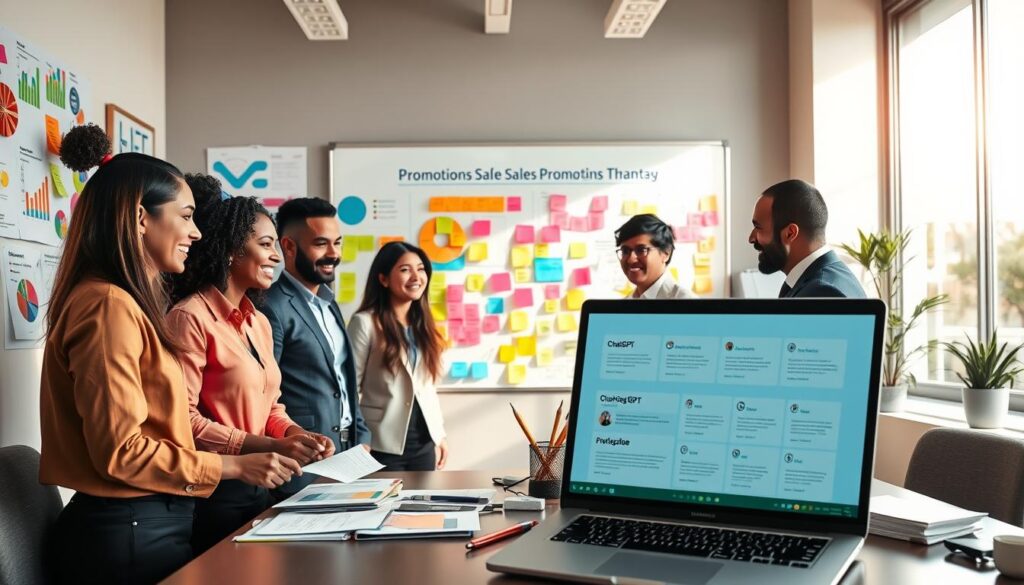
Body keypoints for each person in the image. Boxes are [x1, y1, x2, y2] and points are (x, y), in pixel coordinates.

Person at [40, 125, 301, 585]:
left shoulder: (121, 302)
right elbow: (120, 452)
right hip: (129, 533)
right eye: (185, 216)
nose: (196, 233)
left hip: (147, 522)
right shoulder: (106, 305)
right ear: (141, 218)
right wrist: (235, 463)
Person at [166, 179, 335, 552]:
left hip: (262, 485)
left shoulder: (257, 320)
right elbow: (182, 420)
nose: (276, 257)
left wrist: (295, 434)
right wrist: (268, 444)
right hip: (213, 494)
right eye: (265, 245)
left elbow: (269, 405)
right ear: (230, 251)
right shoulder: (189, 317)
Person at [262, 197, 371, 497]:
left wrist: (362, 434)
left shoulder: (330, 303)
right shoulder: (271, 306)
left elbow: (343, 379)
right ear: (289, 247)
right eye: (321, 244)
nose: (333, 254)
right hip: (302, 462)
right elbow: (264, 394)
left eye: (337, 243)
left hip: (350, 457)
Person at [348, 242, 449, 471]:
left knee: (421, 506)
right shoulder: (365, 323)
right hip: (380, 443)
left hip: (424, 443)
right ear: (383, 279)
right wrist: (358, 438)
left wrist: (440, 434)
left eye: (420, 268)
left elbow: (427, 386)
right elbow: (350, 387)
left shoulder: (424, 325)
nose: (416, 276)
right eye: (405, 269)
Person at [749, 179, 866, 298]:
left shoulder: (821, 292)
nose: (751, 238)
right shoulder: (828, 278)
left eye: (758, 227)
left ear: (790, 233)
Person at [614, 214, 694, 299]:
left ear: (666, 253)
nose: (631, 259)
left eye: (641, 250)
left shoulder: (686, 302)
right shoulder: (624, 303)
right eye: (625, 251)